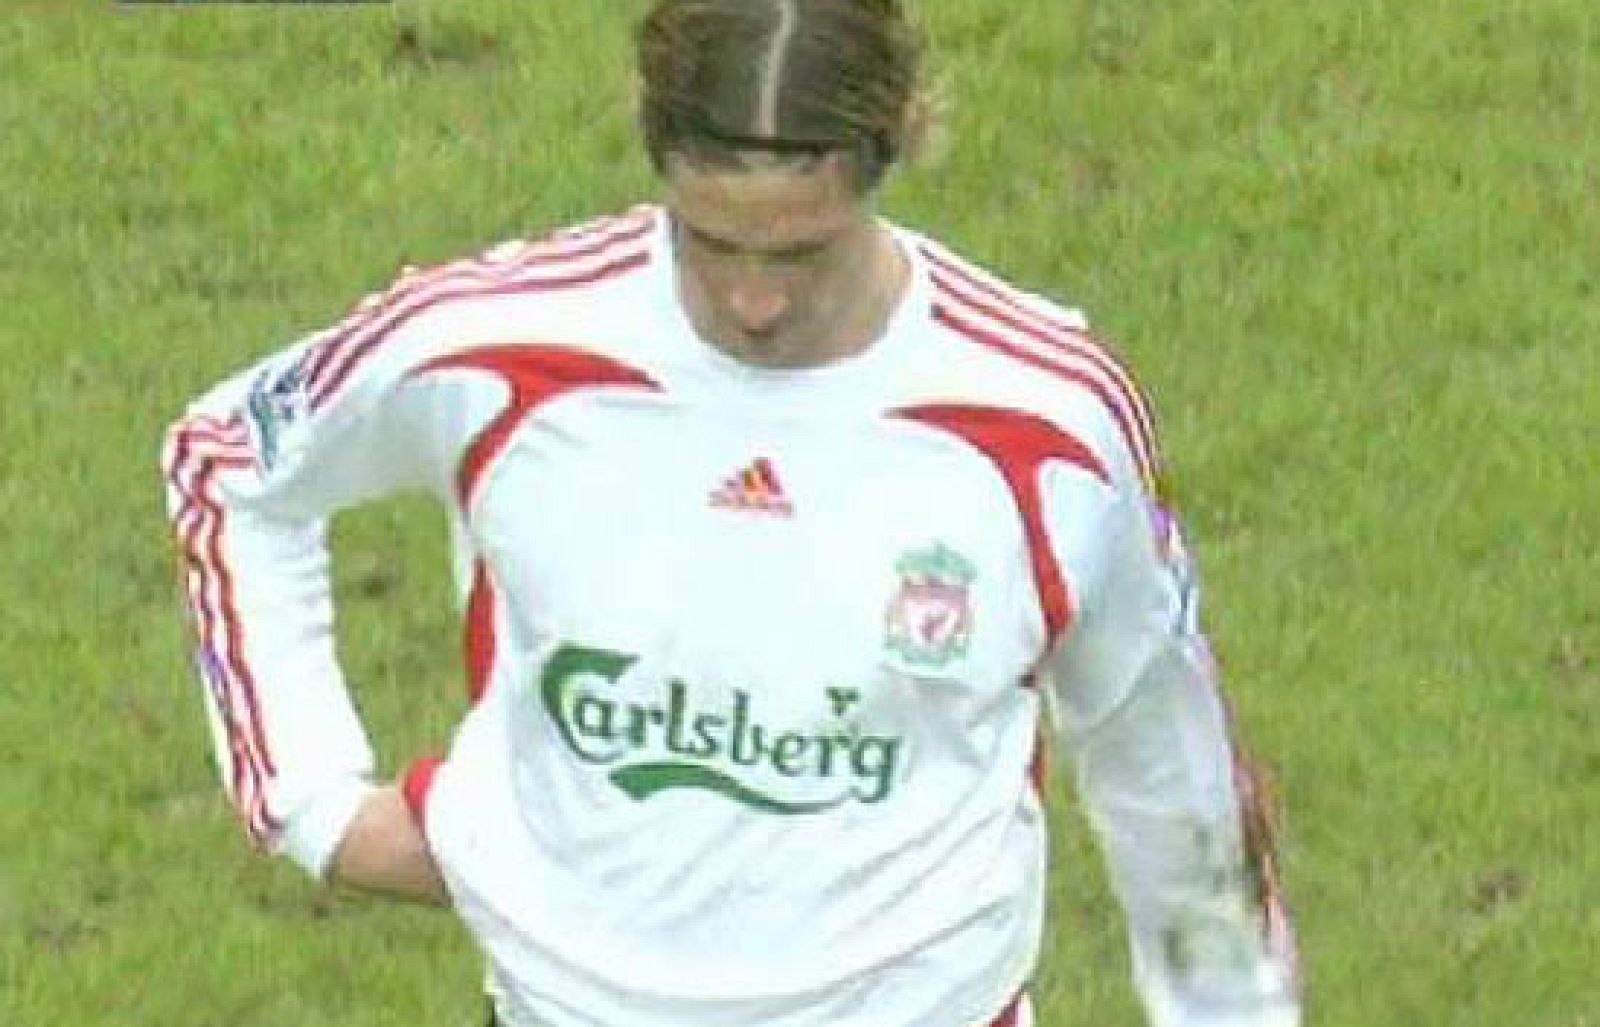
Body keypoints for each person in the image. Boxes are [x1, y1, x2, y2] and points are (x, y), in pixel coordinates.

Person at [160, 1, 1301, 1024]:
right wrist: (309, 800)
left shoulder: (1044, 422)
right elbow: (231, 461)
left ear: (892, 153)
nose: (753, 300)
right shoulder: (501, 347)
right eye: (711, 243)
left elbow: (1165, 755)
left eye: (801, 251)